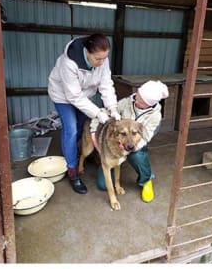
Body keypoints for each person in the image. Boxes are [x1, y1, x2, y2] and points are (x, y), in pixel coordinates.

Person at [48, 33, 121, 194]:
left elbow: (106, 84)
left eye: (105, 58)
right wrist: (99, 113)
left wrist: (112, 108)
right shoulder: (69, 63)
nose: (102, 62)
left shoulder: (102, 59)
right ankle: (72, 171)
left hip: (84, 96)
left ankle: (77, 154)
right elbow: (73, 96)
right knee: (71, 129)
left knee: (82, 127)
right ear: (87, 52)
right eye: (98, 59)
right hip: (63, 96)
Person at [92, 80, 169, 203]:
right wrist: (93, 129)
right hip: (119, 142)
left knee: (138, 156)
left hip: (138, 144)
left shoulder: (155, 116)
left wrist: (132, 147)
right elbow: (106, 111)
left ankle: (146, 180)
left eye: (141, 100)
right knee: (102, 185)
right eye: (137, 96)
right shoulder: (127, 102)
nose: (136, 100)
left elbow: (146, 137)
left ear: (149, 104)